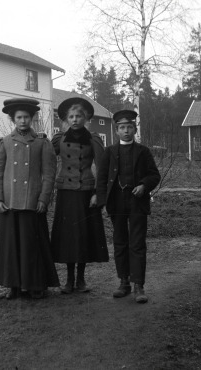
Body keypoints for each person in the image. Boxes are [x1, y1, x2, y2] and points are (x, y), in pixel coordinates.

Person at [0, 98, 59, 299]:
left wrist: (43, 200)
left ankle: (35, 284)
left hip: (32, 203)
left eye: (26, 117)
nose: (23, 121)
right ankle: (13, 285)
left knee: (32, 246)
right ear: (13, 119)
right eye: (19, 117)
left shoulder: (42, 142)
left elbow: (49, 175)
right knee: (11, 247)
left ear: (32, 118)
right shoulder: (4, 142)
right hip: (9, 203)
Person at [96, 110, 160, 303]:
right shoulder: (109, 152)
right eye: (122, 128)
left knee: (137, 243)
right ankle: (123, 282)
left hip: (137, 203)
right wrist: (102, 202)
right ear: (116, 131)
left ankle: (138, 285)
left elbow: (154, 175)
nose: (126, 131)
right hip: (116, 203)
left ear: (135, 129)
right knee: (120, 242)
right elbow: (101, 179)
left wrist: (143, 186)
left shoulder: (143, 152)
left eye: (129, 127)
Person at [51, 97, 109, 294]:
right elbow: (47, 160)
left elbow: (102, 169)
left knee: (83, 237)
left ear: (86, 119)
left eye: (78, 116)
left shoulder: (93, 139)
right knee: (68, 237)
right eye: (71, 117)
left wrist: (97, 194)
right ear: (66, 119)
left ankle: (81, 279)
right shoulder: (59, 139)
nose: (75, 120)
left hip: (86, 193)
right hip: (66, 192)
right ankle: (68, 280)